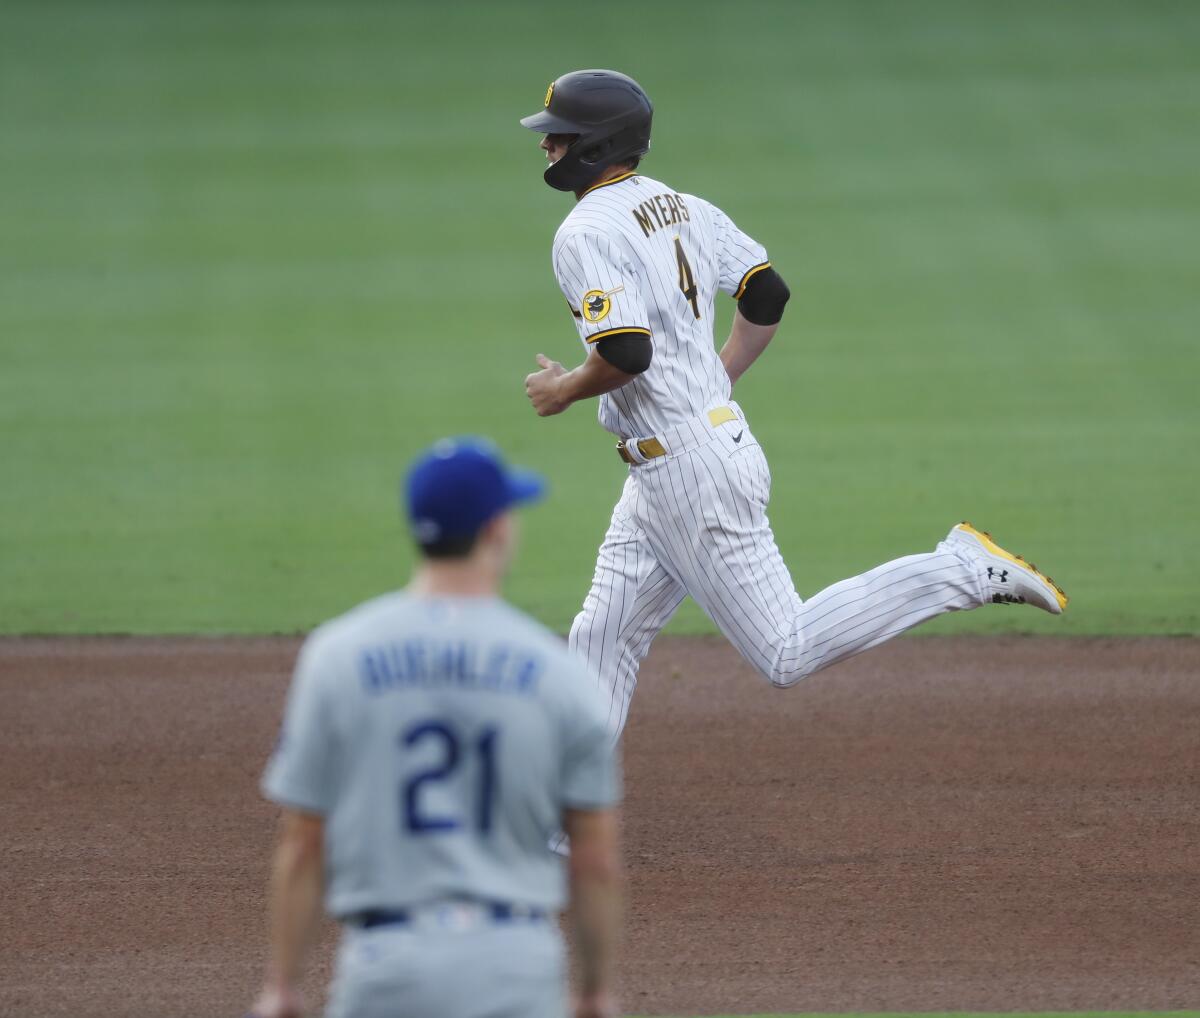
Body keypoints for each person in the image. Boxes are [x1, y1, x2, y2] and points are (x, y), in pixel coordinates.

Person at [520, 69, 1068, 740]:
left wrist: (565, 387)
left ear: (597, 145)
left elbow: (627, 351)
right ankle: (558, 834)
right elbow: (765, 293)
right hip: (675, 463)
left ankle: (959, 569)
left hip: (693, 475)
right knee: (602, 638)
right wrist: (716, 381)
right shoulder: (683, 205)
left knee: (786, 649)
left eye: (560, 136)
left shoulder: (584, 232)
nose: (547, 147)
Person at [247, 438, 623, 1018]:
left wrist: (283, 986)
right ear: (497, 531)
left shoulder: (337, 656)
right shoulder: (557, 673)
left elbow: (302, 844)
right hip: (516, 966)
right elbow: (593, 859)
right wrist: (594, 991)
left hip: (386, 966)